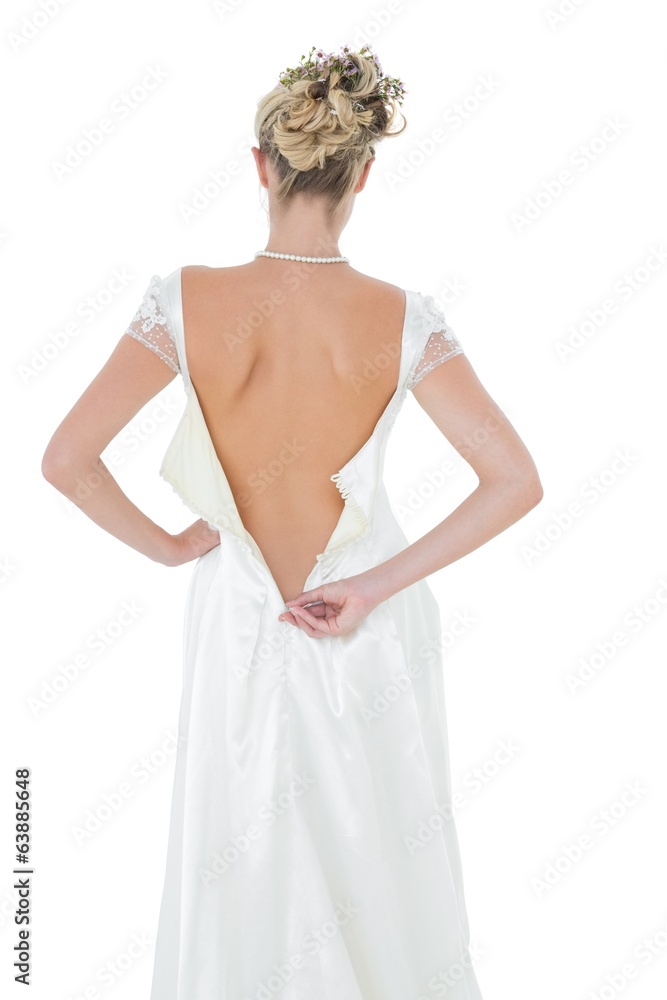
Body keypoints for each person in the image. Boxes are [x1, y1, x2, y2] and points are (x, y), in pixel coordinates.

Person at [42, 43, 542, 1000]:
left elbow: (66, 459)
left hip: (236, 614)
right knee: (378, 862)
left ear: (261, 165)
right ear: (362, 175)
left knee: (239, 858)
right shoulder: (404, 317)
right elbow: (513, 480)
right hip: (366, 623)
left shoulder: (183, 301)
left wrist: (172, 546)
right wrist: (373, 585)